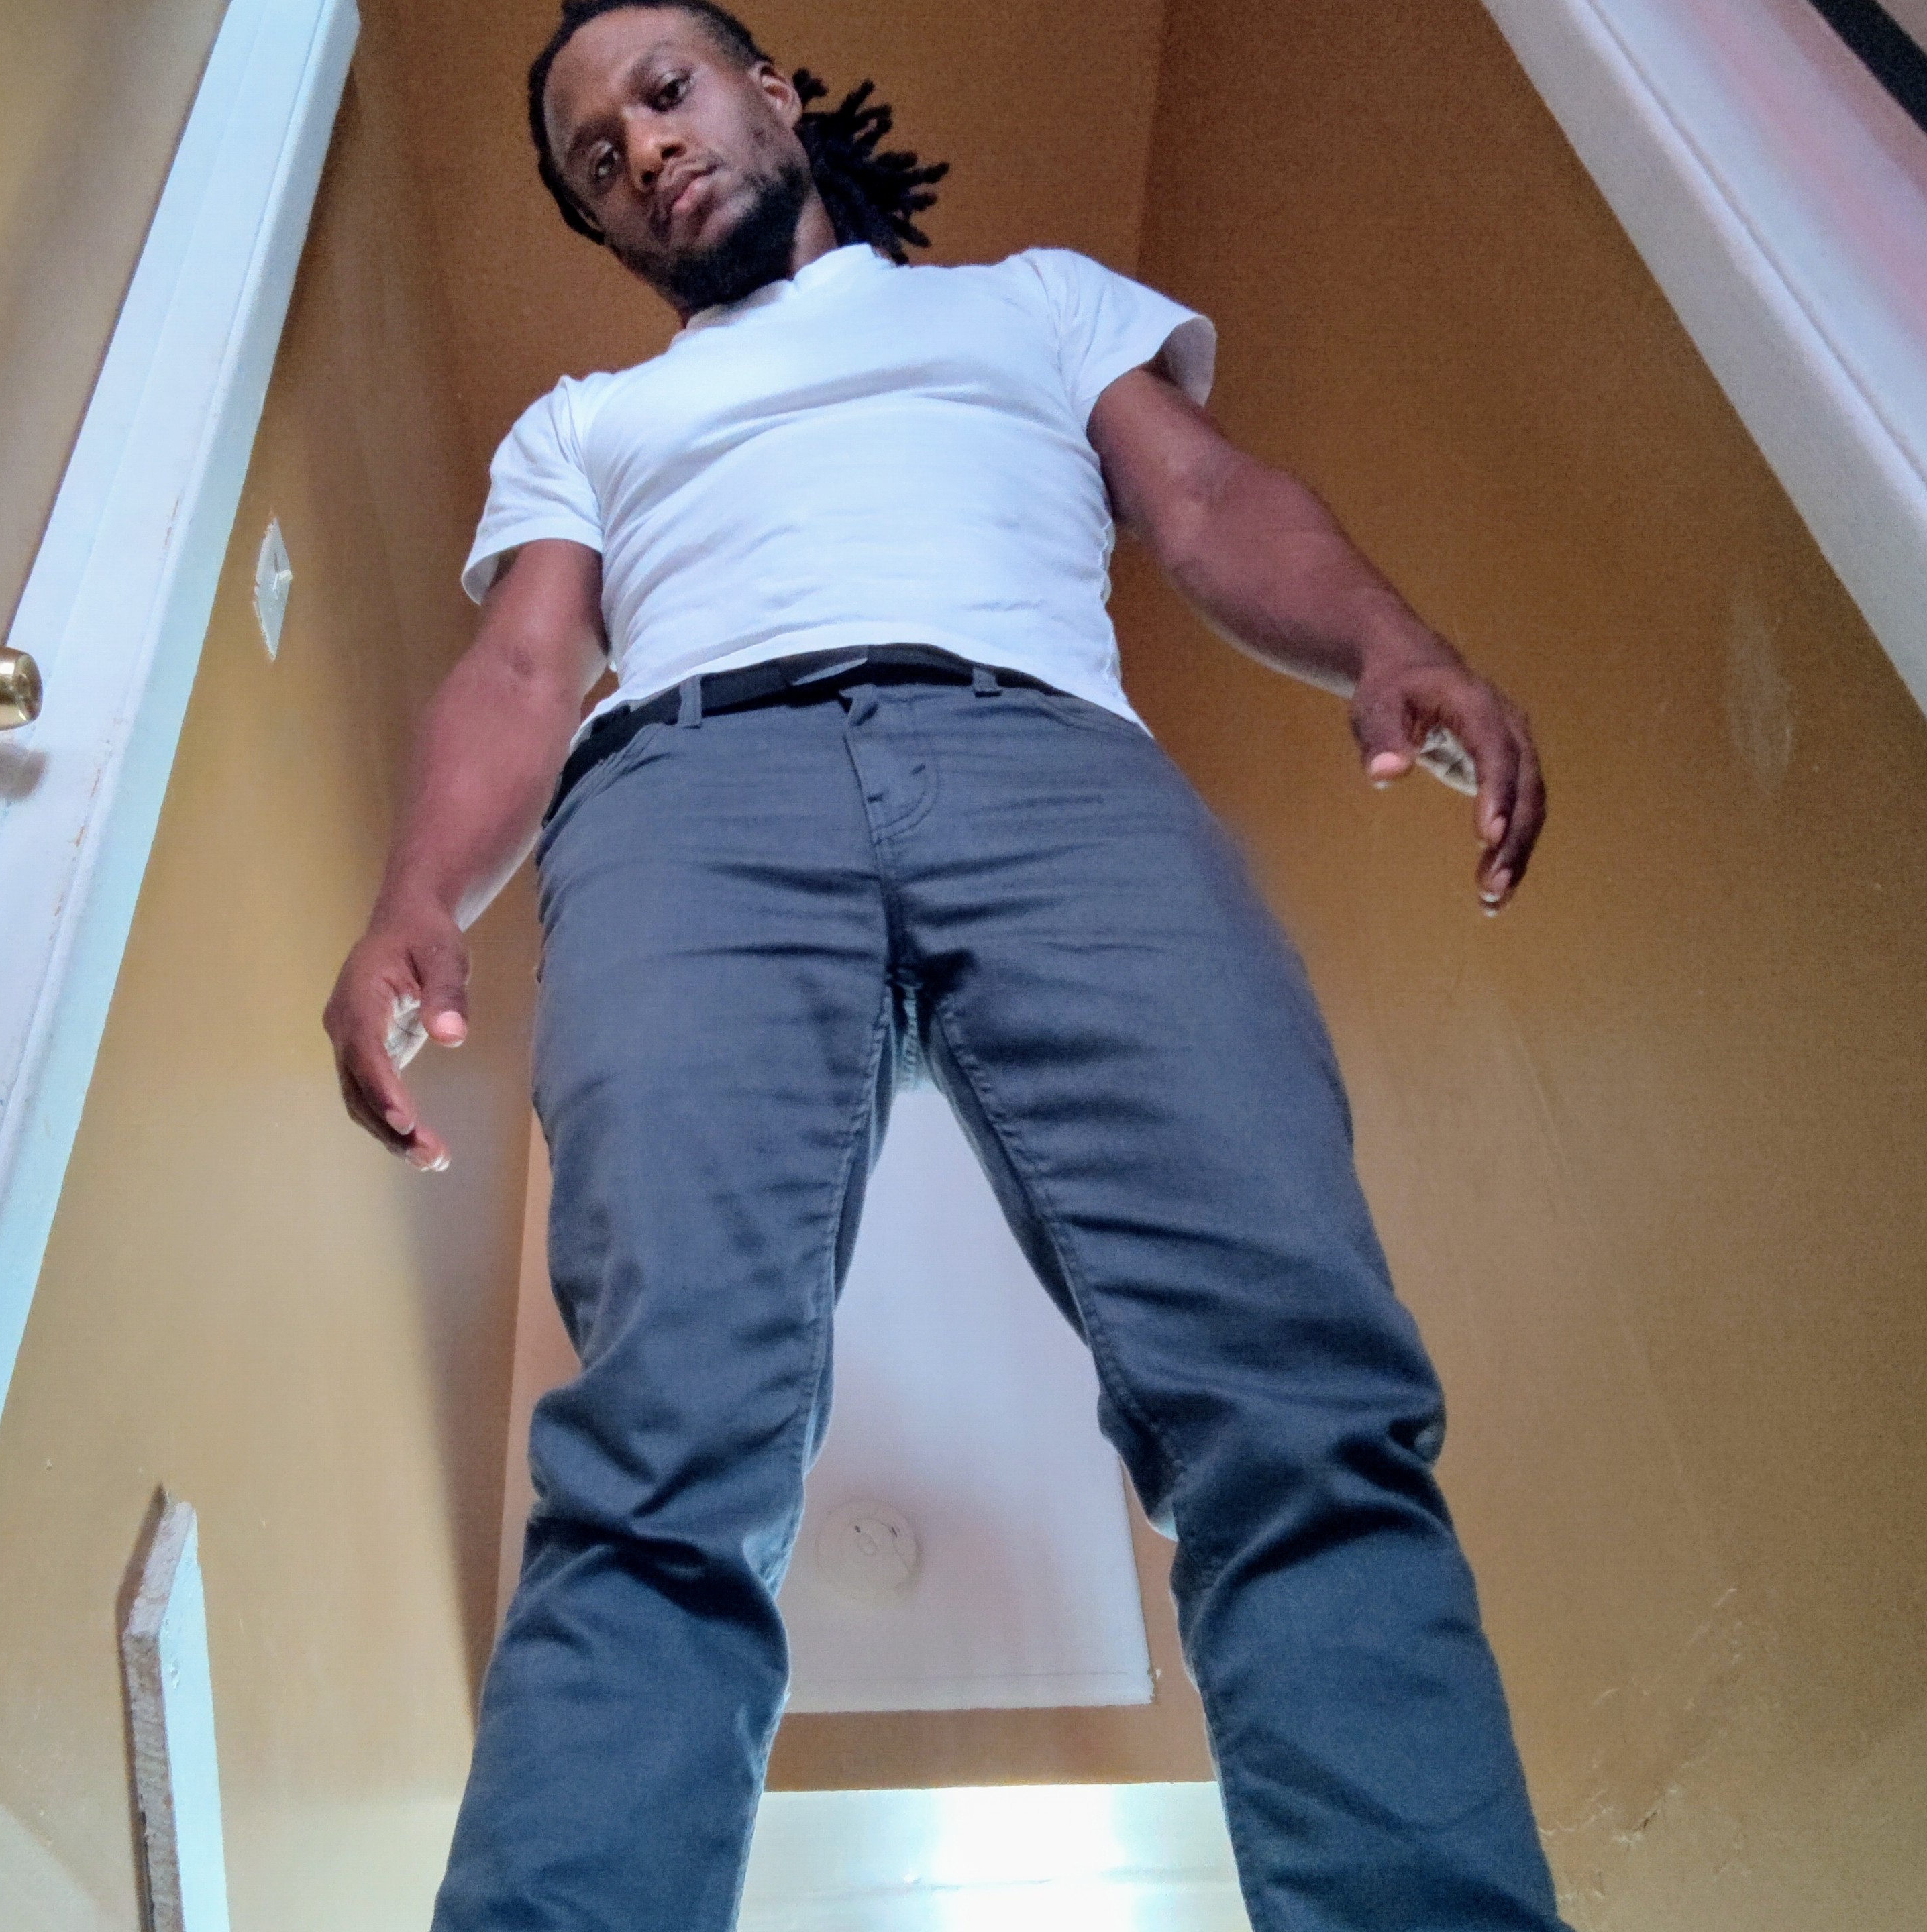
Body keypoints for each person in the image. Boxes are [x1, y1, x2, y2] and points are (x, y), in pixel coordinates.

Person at [323, 3, 1559, 1926]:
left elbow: (1207, 501)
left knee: (1296, 1395)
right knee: (660, 1452)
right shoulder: (586, 422)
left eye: (665, 92)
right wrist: (419, 888)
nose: (644, 150)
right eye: (595, 159)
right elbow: (523, 666)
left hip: (1048, 767)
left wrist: (1390, 640)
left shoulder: (1033, 303)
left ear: (772, 90)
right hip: (688, 804)